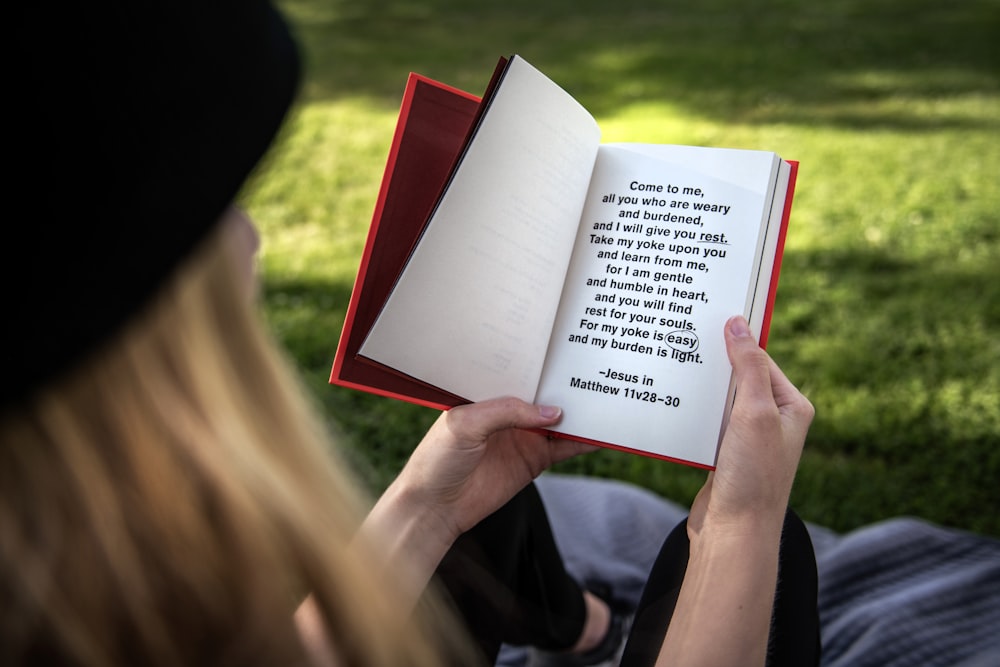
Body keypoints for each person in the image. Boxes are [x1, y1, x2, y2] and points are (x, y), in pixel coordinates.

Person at [3, 2, 818, 666]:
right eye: (212, 210)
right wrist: (742, 524)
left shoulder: (72, 582)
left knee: (478, 519)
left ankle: (583, 630)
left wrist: (426, 505)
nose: (251, 241)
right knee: (779, 557)